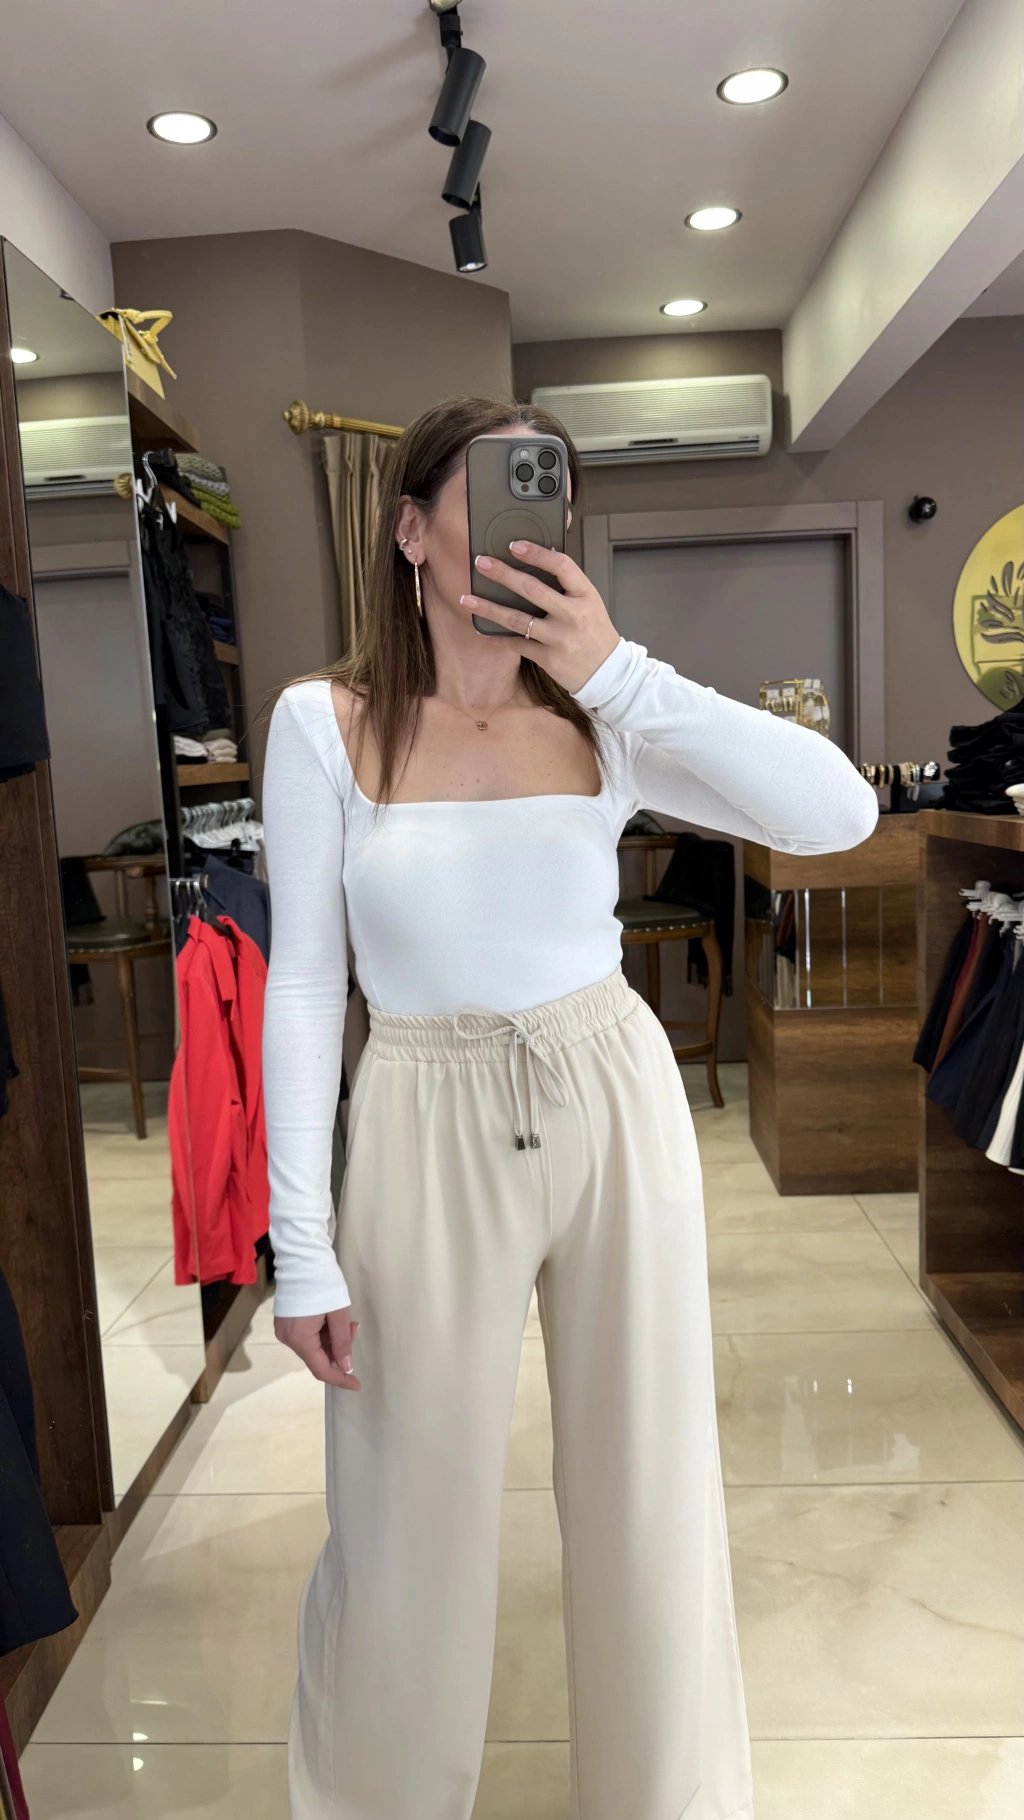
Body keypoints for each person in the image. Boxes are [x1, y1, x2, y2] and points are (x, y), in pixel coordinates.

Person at [261, 395, 878, 1820]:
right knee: (405, 1507)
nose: (525, 532)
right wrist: (301, 1243)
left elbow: (838, 813)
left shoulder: (606, 714)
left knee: (648, 1484)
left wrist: (624, 672)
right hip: (419, 1105)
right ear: (411, 530)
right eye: (488, 497)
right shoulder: (323, 725)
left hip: (606, 1090)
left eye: (549, 502)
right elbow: (303, 986)